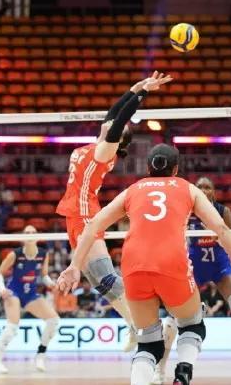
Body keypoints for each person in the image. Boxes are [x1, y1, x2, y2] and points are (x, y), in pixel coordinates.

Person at [57, 144, 231, 385]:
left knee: (148, 342)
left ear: (148, 168)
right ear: (175, 169)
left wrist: (74, 265)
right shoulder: (187, 188)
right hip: (171, 262)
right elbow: (222, 230)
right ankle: (183, 372)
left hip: (133, 265)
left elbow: (92, 227)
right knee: (193, 324)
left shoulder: (132, 190)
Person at [55, 72, 173, 351]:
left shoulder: (104, 151)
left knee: (105, 275)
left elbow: (120, 119)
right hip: (74, 214)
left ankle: (149, 323)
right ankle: (135, 325)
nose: (109, 121)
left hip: (85, 214)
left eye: (115, 127)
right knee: (98, 281)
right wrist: (137, 87)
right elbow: (115, 112)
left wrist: (143, 95)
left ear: (117, 138)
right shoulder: (99, 144)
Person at [153, 177, 231, 384]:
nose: (204, 190)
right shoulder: (186, 211)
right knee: (172, 320)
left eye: (207, 187)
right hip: (193, 268)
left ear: (213, 191)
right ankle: (159, 371)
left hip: (220, 267)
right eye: (200, 187)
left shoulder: (223, 211)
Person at [0, 224, 60, 373]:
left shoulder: (43, 254)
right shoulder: (15, 254)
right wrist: (2, 289)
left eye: (33, 232)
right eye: (27, 233)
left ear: (37, 236)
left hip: (31, 294)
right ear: (22, 237)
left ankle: (40, 355)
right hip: (14, 292)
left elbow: (44, 275)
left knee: (54, 320)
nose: (30, 235)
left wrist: (51, 283)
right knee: (12, 327)